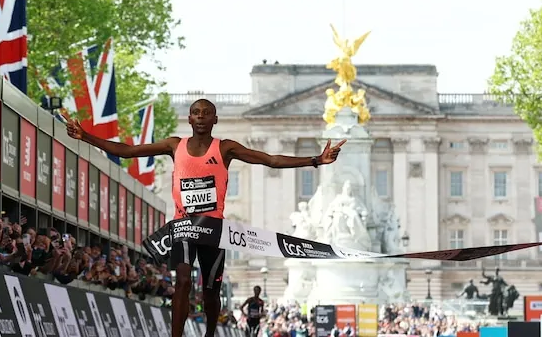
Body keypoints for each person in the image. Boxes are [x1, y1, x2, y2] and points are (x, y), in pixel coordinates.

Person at [66, 98, 344, 337]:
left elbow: (269, 160)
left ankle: (210, 333)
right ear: (189, 118)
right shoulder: (174, 145)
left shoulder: (226, 148)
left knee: (211, 291)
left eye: (206, 113)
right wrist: (85, 136)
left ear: (215, 119)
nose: (200, 117)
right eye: (196, 112)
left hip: (213, 229)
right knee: (184, 281)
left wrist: (316, 160)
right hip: (184, 225)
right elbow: (127, 151)